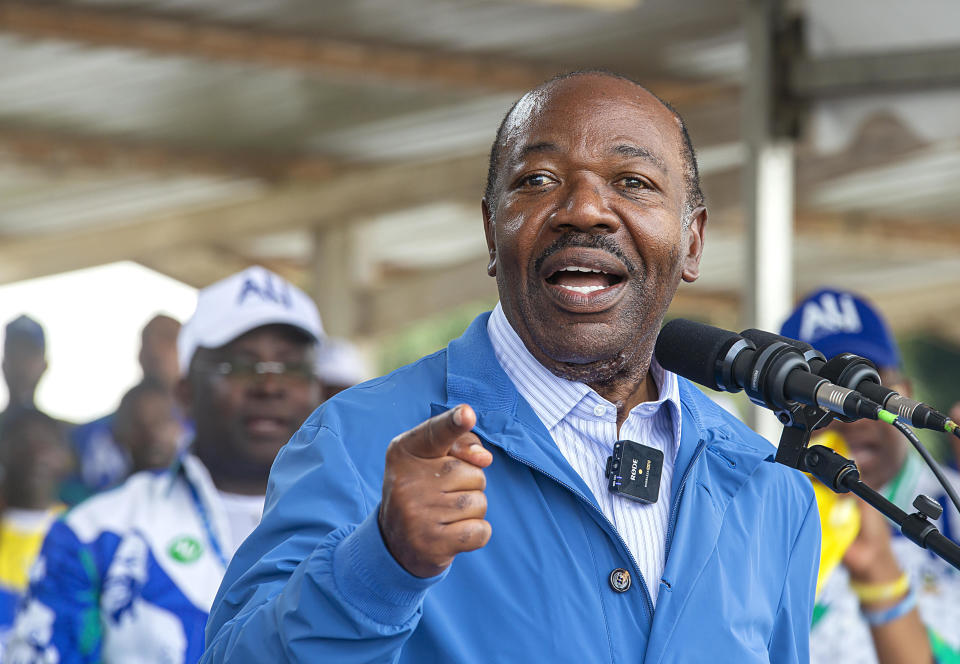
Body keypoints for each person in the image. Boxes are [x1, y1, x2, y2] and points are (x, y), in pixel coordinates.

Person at [203, 71, 819, 663]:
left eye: (632, 182)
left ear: (693, 242)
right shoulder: (357, 441)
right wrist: (378, 563)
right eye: (538, 180)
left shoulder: (766, 488)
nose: (584, 209)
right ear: (491, 233)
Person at [7, 266, 324, 663]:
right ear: (186, 393)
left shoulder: (379, 528)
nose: (269, 385)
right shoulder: (96, 535)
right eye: (241, 365)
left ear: (317, 388)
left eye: (291, 366)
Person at [780, 287, 960, 664]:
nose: (848, 411)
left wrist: (884, 586)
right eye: (820, 388)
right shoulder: (760, 513)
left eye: (868, 383)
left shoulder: (956, 501)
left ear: (907, 395)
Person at [67, 314, 183, 502]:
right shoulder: (87, 435)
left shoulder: (209, 434)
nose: (158, 351)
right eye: (149, 342)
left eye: (169, 340)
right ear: (139, 355)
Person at [0, 410, 73, 647]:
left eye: (45, 444)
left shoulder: (85, 534)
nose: (34, 454)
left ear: (64, 456)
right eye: (21, 443)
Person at [112, 381, 184, 474]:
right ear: (123, 435)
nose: (153, 433)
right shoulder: (122, 488)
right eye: (139, 425)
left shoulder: (201, 481)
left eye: (160, 420)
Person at [0, 315, 49, 432]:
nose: (21, 364)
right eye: (14, 353)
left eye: (29, 355)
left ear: (44, 365)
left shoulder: (66, 436)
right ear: (3, 364)